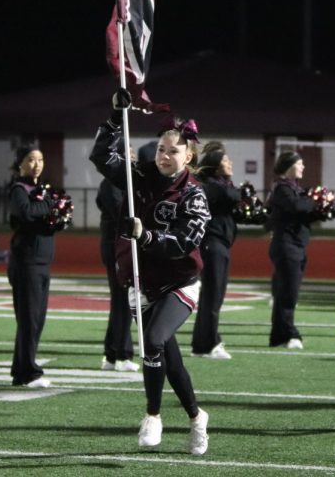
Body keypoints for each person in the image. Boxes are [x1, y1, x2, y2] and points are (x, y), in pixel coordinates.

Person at [90, 89, 211, 455]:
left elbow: (181, 243)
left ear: (189, 155)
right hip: (140, 283)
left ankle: (153, 414)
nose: (164, 156)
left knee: (154, 341)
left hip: (180, 283)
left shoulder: (195, 195)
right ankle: (196, 416)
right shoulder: (138, 175)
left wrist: (144, 235)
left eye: (173, 151)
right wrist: (115, 116)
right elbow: (100, 155)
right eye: (161, 149)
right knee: (167, 358)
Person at [8, 145, 60, 388]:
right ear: (21, 164)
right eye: (30, 159)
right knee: (29, 319)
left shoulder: (42, 190)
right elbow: (27, 212)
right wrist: (51, 207)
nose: (36, 164)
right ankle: (28, 371)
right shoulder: (18, 189)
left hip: (41, 262)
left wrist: (61, 217)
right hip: (26, 262)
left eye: (40, 159)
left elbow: (47, 220)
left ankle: (21, 370)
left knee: (36, 319)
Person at [191, 141, 241, 359]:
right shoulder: (211, 186)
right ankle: (208, 344)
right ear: (215, 165)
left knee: (213, 296)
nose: (230, 163)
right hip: (212, 244)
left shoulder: (220, 185)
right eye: (225, 160)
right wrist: (239, 191)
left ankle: (203, 343)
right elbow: (232, 196)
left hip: (220, 243)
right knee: (213, 295)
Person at [267, 150, 322, 349]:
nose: (303, 167)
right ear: (290, 166)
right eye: (300, 164)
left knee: (286, 292)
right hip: (285, 245)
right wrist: (314, 201)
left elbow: (302, 213)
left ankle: (278, 336)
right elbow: (296, 207)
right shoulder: (282, 188)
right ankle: (289, 333)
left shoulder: (293, 188)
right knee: (288, 293)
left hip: (295, 244)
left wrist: (321, 210)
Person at [97, 142, 139, 372]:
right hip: (115, 246)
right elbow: (122, 213)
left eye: (133, 152)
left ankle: (113, 354)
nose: (133, 157)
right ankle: (121, 354)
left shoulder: (124, 184)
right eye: (128, 153)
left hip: (121, 245)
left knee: (121, 299)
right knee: (123, 298)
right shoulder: (111, 183)